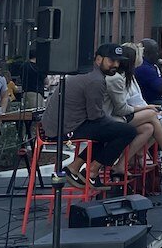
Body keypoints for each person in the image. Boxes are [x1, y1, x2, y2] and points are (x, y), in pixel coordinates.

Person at [46, 46, 139, 187]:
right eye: (112, 61)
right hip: (65, 128)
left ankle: (74, 168)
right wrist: (115, 123)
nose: (116, 65)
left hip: (59, 125)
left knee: (109, 131)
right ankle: (92, 171)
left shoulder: (87, 72)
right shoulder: (95, 80)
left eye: (118, 62)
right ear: (99, 59)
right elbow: (95, 116)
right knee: (128, 131)